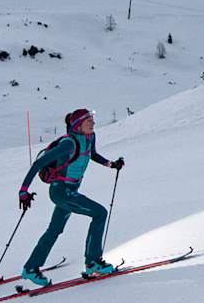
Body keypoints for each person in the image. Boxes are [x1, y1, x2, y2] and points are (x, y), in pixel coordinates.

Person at [17, 109, 125, 286]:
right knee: (100, 213)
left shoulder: (90, 137)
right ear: (78, 125)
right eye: (89, 121)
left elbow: (93, 155)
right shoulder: (69, 144)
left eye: (92, 119)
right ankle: (93, 262)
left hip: (71, 190)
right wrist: (23, 191)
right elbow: (38, 163)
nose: (93, 123)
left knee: (54, 230)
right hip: (61, 192)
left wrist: (111, 164)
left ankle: (31, 268)